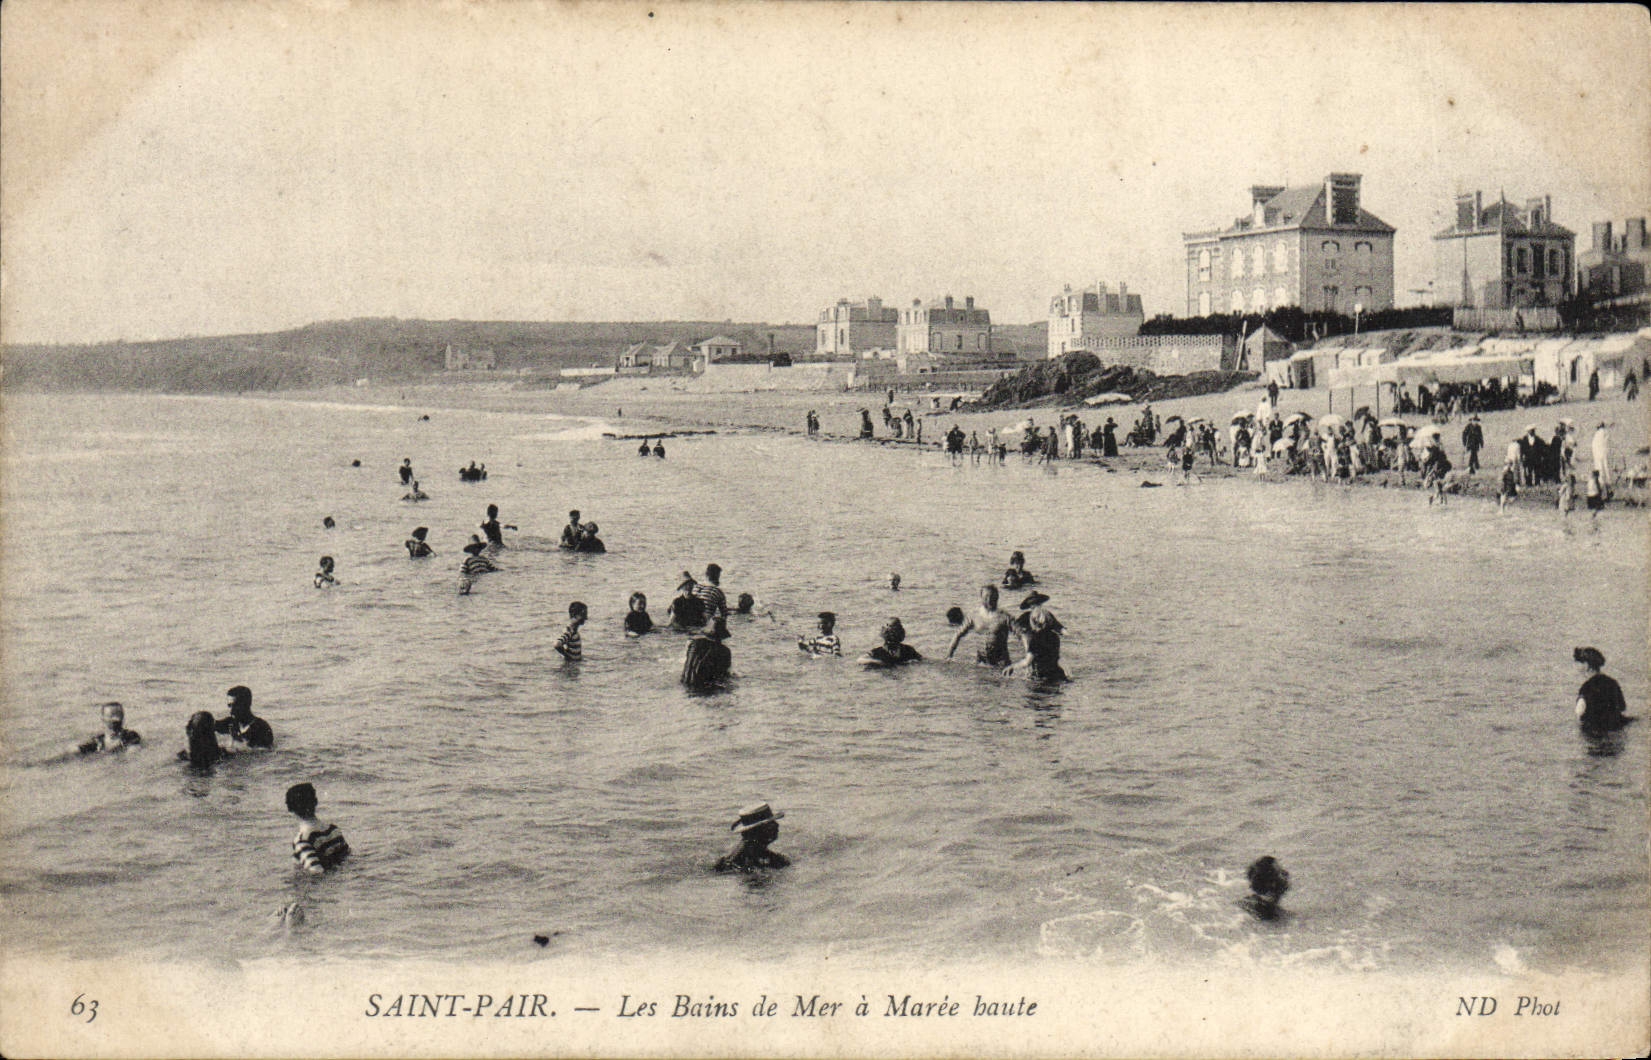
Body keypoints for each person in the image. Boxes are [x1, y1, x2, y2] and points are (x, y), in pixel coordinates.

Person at [286, 782, 350, 875]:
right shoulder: (333, 830)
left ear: (290, 810)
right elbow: (347, 858)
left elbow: (316, 872)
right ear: (315, 802)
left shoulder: (303, 840)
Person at [948, 585, 1014, 668]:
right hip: (981, 663)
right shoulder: (974, 616)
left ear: (997, 598)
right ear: (981, 598)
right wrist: (949, 656)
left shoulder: (1005, 617)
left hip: (1001, 663)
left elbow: (1022, 635)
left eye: (992, 597)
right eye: (986, 597)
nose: (989, 600)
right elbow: (958, 635)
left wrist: (1027, 659)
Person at [1007, 591, 1066, 682]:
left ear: (1033, 621)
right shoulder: (1055, 637)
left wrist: (1012, 666)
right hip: (1057, 674)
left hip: (1042, 677)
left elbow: (1027, 662)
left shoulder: (1036, 639)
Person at [714, 803, 790, 873]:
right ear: (756, 831)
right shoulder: (741, 862)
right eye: (770, 823)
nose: (777, 825)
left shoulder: (756, 850)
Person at [1574, 647, 1633, 733]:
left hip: (1595, 730)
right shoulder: (1613, 683)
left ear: (1586, 666)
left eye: (1579, 662)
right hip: (1616, 727)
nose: (1576, 666)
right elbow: (1622, 707)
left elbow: (1579, 712)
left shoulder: (1586, 688)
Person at [681, 617, 732, 689]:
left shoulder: (693, 644)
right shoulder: (724, 651)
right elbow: (725, 675)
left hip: (685, 683)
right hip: (704, 688)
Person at [216, 685, 274, 749]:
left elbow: (259, 754)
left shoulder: (261, 728)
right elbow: (210, 724)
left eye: (236, 706)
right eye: (230, 705)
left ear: (247, 704)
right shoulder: (230, 722)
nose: (231, 710)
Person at [76, 701, 142, 755]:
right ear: (103, 719)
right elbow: (75, 750)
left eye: (118, 715)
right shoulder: (97, 742)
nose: (116, 719)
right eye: (111, 716)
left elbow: (133, 754)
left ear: (123, 718)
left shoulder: (130, 736)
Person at [1243, 856, 1290, 921]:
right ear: (1273, 883)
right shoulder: (1278, 915)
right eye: (1281, 872)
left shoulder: (1245, 904)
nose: (1287, 874)